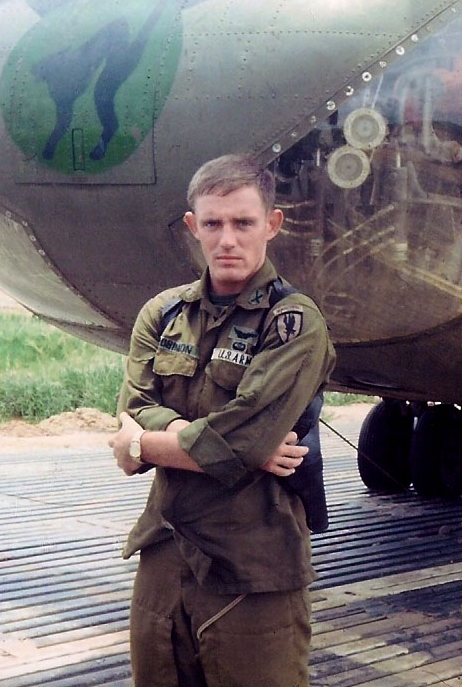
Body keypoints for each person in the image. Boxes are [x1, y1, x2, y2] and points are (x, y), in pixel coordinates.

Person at [109, 153, 336, 687]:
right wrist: (226, 442)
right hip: (164, 554)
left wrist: (141, 446)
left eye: (243, 222)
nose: (227, 239)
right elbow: (132, 405)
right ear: (193, 227)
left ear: (272, 225)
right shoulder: (163, 313)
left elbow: (239, 442)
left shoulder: (294, 323)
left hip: (253, 565)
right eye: (212, 223)